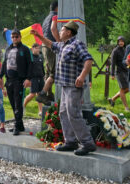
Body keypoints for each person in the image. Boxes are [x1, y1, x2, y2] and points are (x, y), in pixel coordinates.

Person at [31, 21, 96, 156]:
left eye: (62, 30)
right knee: (63, 113)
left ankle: (87, 143)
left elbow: (88, 60)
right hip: (65, 86)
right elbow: (50, 44)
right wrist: (39, 36)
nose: (60, 32)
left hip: (74, 86)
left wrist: (82, 76)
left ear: (68, 32)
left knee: (74, 114)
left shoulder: (76, 44)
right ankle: (70, 141)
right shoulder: (62, 45)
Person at [0, 29, 32, 136]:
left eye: (16, 36)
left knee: (18, 104)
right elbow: (4, 64)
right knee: (13, 103)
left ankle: (17, 125)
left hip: (19, 80)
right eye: (12, 37)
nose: (14, 38)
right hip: (9, 81)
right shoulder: (8, 49)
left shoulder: (25, 49)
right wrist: (0, 76)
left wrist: (28, 78)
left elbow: (30, 65)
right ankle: (20, 124)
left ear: (20, 37)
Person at [36, 1, 59, 105]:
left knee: (48, 71)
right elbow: (53, 29)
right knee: (54, 72)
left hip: (44, 46)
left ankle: (49, 94)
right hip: (51, 46)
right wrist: (60, 42)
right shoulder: (56, 16)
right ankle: (43, 94)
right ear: (57, 8)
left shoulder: (46, 18)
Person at [108, 36, 130, 111]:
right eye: (119, 41)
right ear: (117, 42)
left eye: (122, 41)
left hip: (126, 71)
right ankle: (126, 108)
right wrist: (112, 74)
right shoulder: (115, 51)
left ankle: (112, 99)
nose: (121, 42)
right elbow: (113, 63)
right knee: (123, 89)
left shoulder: (125, 49)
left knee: (128, 89)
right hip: (119, 72)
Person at [24, 43, 45, 116]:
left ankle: (40, 111)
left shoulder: (40, 57)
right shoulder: (30, 58)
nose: (38, 49)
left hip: (41, 77)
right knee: (32, 94)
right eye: (36, 48)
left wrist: (44, 75)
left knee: (40, 94)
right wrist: (27, 79)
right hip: (33, 78)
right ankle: (23, 106)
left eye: (39, 48)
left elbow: (42, 68)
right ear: (32, 49)